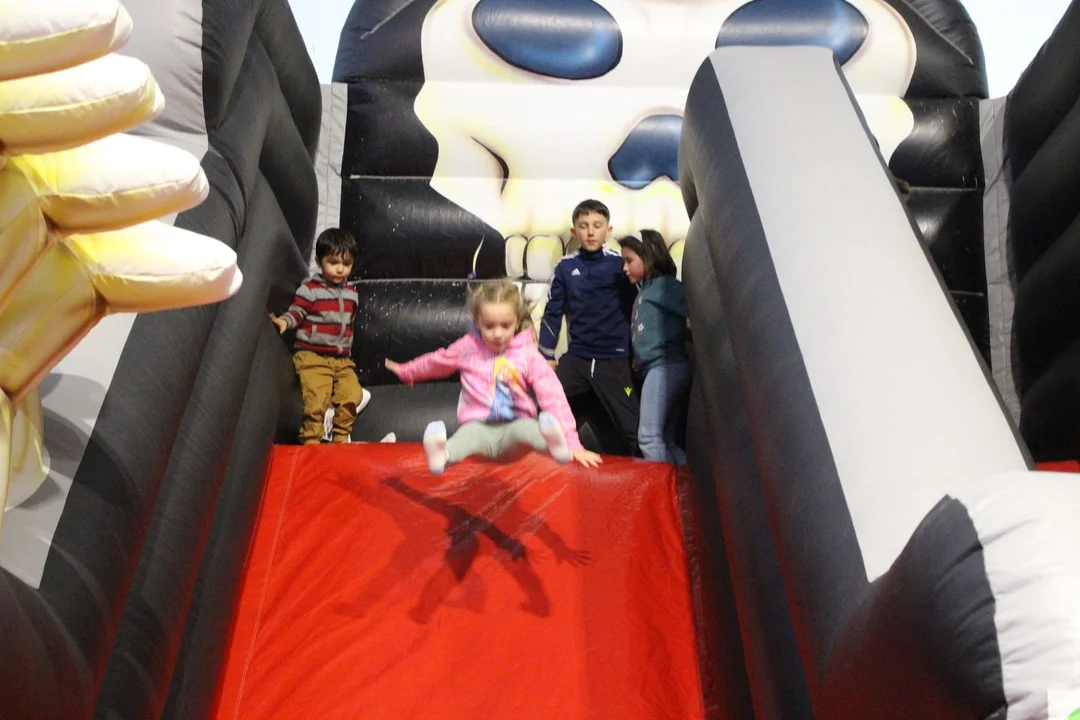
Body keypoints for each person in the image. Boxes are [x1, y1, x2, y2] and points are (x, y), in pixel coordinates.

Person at [384, 280, 602, 474]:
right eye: (489, 326)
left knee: (529, 430)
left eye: (506, 326)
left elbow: (552, 394)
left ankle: (556, 447)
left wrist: (572, 442)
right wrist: (407, 371)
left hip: (514, 430)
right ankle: (441, 456)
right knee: (464, 438)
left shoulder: (527, 355)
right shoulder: (467, 348)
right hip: (478, 427)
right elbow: (437, 361)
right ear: (478, 322)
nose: (497, 334)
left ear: (517, 321)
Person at [538, 199, 640, 456]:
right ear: (574, 232)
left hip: (615, 359)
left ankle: (649, 476)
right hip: (578, 357)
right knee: (543, 406)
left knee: (633, 429)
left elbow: (636, 310)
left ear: (609, 230)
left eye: (597, 225)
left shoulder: (620, 266)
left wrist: (637, 354)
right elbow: (552, 313)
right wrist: (545, 355)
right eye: (583, 226)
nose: (591, 232)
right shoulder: (565, 267)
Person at [271, 228, 370, 444]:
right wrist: (284, 321)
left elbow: (349, 323)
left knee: (353, 394)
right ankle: (311, 443)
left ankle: (340, 438)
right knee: (316, 401)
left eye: (346, 263)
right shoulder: (310, 289)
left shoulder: (352, 294)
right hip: (312, 356)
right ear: (318, 261)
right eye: (333, 262)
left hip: (341, 360)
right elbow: (297, 311)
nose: (340, 269)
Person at [619, 230, 689, 464]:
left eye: (629, 261)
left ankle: (667, 485)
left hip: (665, 367)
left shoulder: (665, 287)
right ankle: (687, 481)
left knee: (649, 438)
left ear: (648, 257)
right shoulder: (647, 290)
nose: (625, 268)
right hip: (658, 368)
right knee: (665, 440)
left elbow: (692, 311)